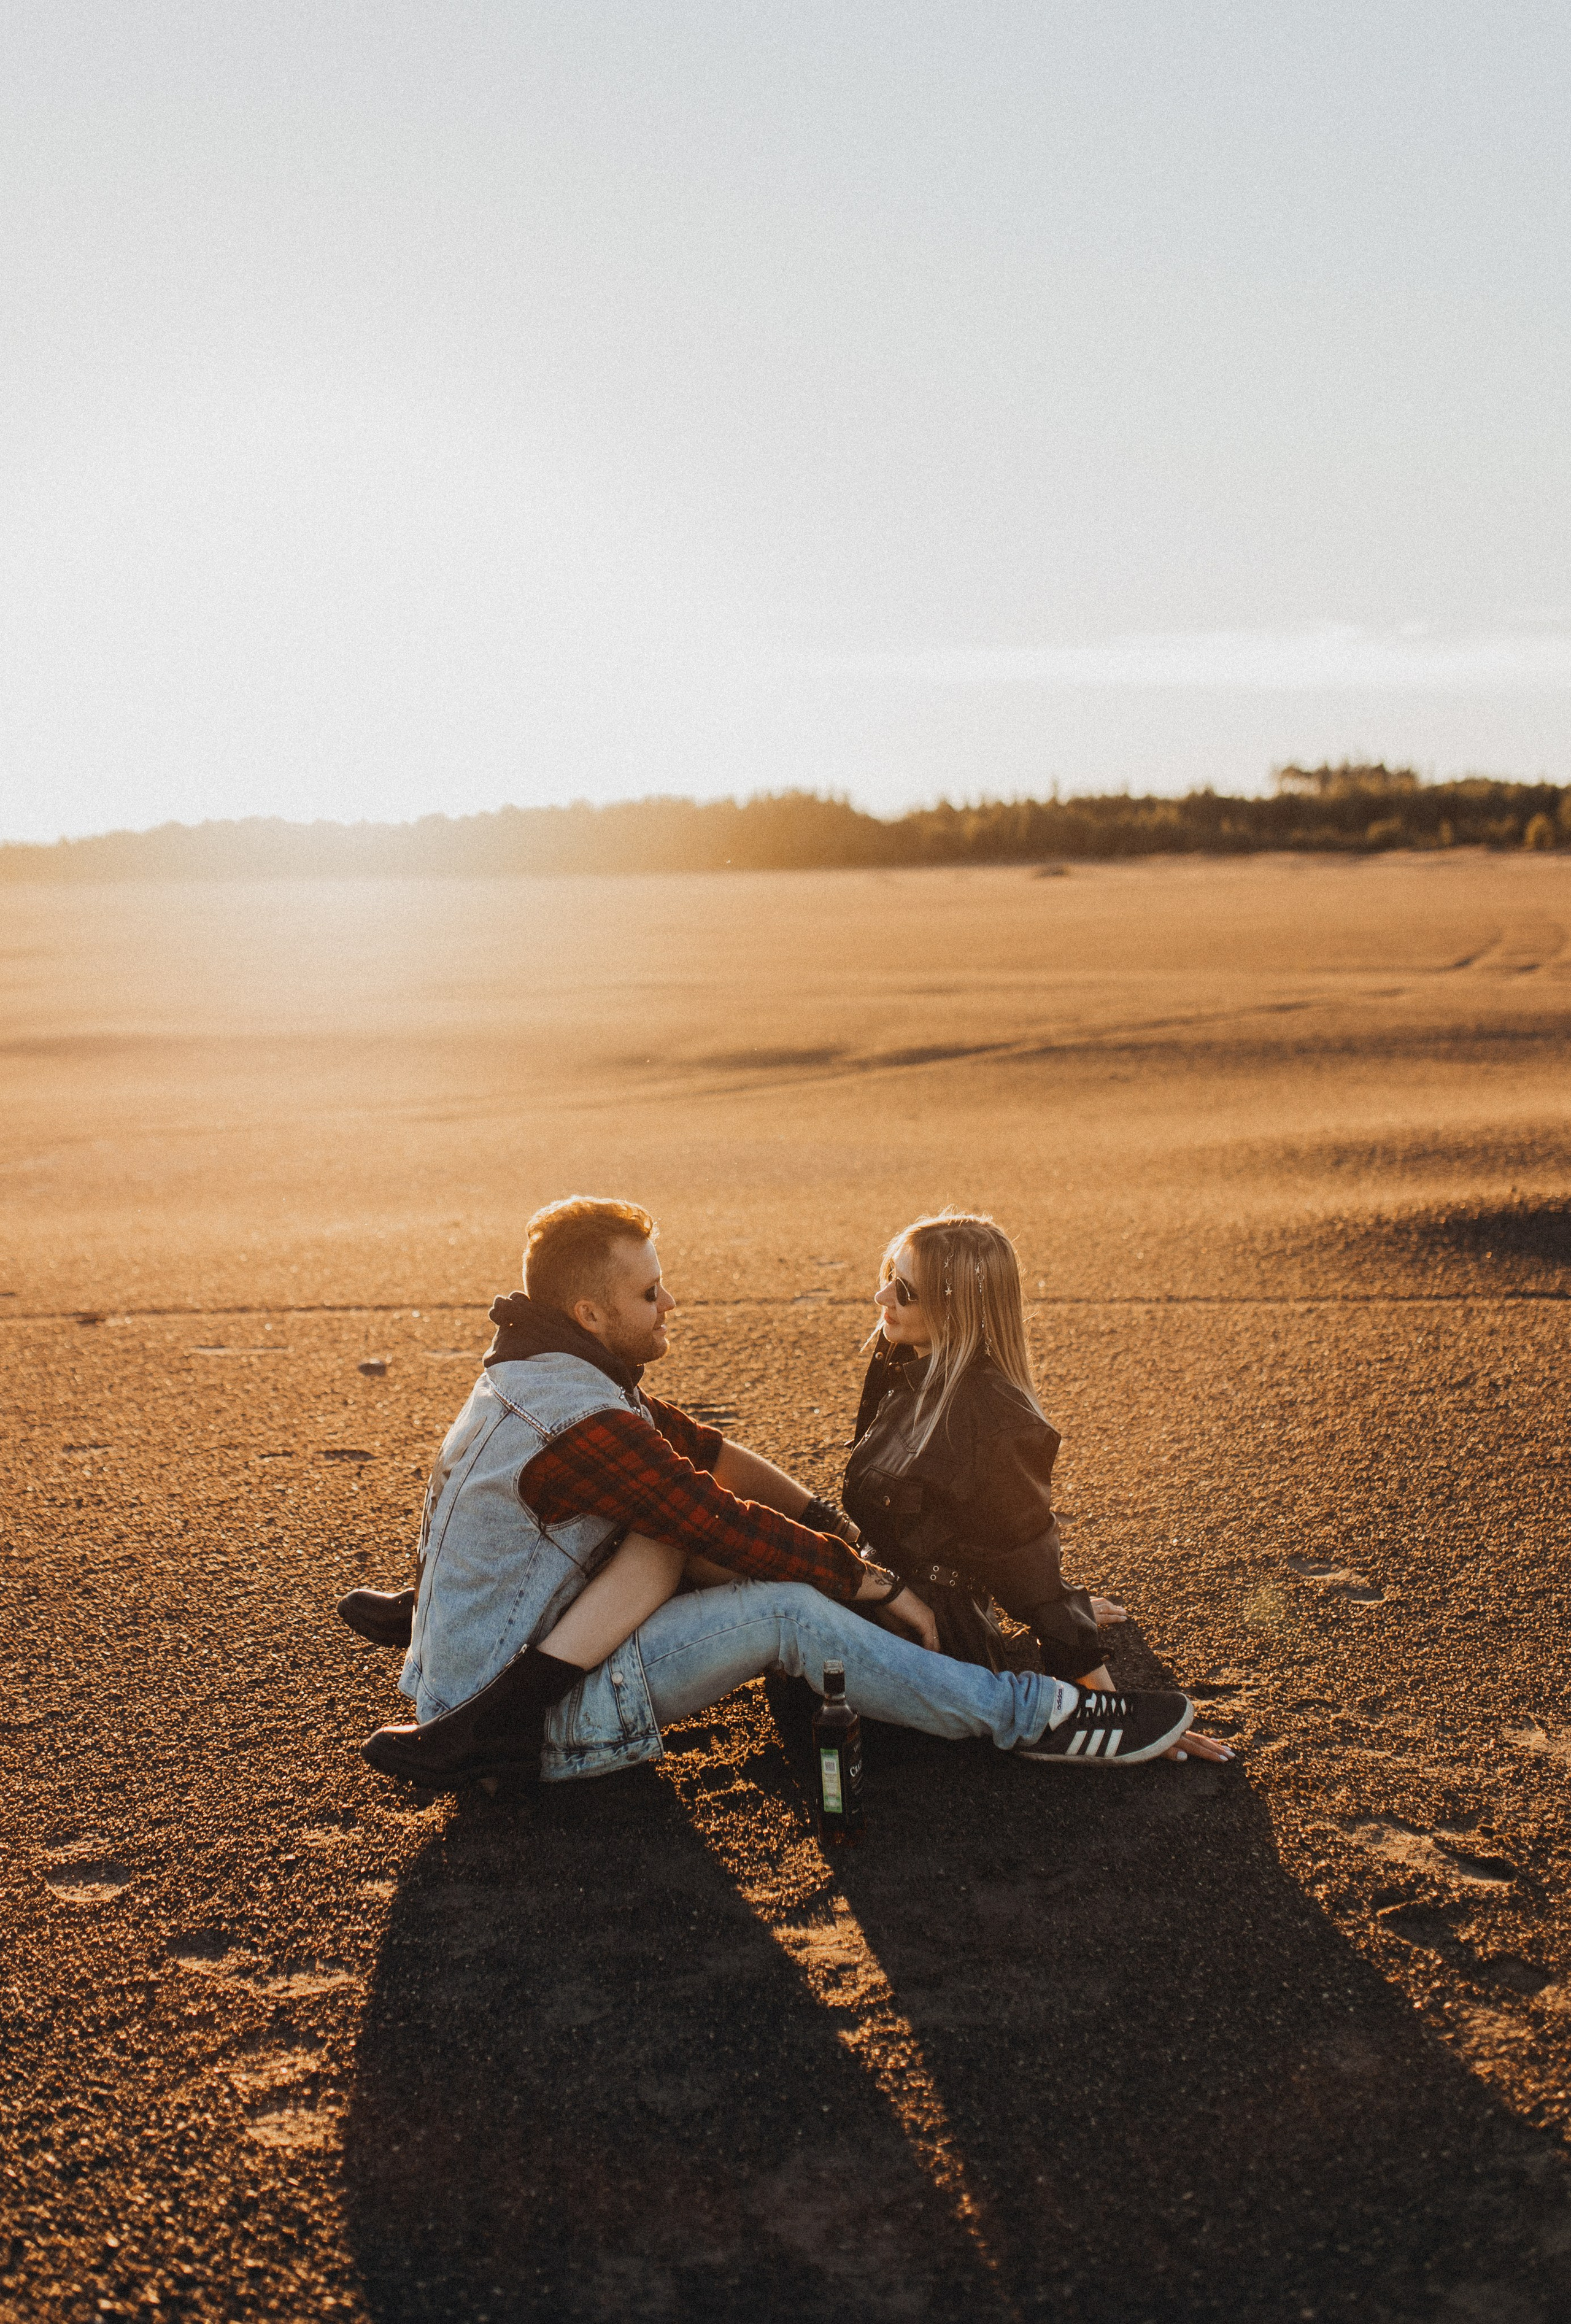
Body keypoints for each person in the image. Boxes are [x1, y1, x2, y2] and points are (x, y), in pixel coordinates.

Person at [348, 1195, 1199, 1788]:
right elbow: (718, 1519)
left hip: (471, 1663)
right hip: (528, 1721)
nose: (671, 1300)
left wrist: (832, 1535)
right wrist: (875, 1581)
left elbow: (707, 1457)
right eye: (650, 1293)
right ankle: (1035, 1716)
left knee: (682, 1532)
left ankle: (441, 1643)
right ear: (592, 1312)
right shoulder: (582, 1420)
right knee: (781, 1609)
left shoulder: (541, 1367)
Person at [841, 1209, 1233, 1765]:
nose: (882, 1296)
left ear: (959, 1308)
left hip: (930, 1644)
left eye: (904, 1289)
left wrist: (1117, 1716)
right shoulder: (902, 1367)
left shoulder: (997, 1421)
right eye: (886, 1274)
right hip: (881, 1596)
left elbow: (1024, 1557)